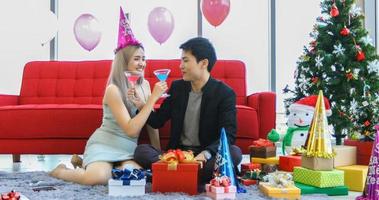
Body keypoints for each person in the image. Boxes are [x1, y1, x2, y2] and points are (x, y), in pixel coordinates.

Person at [49, 7, 167, 185]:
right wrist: (152, 100)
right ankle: (62, 171)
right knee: (97, 178)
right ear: (124, 61)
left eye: (143, 58)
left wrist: (158, 155)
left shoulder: (146, 86)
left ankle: (84, 164)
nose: (142, 63)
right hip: (105, 144)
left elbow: (151, 123)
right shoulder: (114, 89)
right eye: (136, 58)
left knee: (135, 175)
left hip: (127, 148)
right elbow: (131, 129)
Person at [133, 37, 242, 183]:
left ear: (203, 63)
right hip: (177, 155)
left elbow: (228, 135)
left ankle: (173, 174)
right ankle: (190, 175)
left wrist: (206, 153)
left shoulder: (224, 93)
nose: (180, 66)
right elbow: (158, 121)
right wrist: (141, 105)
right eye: (181, 61)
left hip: (203, 156)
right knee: (141, 151)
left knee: (235, 153)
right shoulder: (178, 88)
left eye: (185, 61)